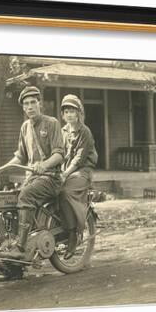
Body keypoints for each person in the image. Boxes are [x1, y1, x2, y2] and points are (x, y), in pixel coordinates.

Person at [0, 86, 65, 262]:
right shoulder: (25, 127)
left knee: (26, 196)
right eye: (26, 104)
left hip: (51, 178)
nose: (30, 106)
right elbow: (20, 156)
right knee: (11, 199)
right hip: (33, 178)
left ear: (39, 104)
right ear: (23, 107)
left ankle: (20, 248)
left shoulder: (52, 123)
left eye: (33, 102)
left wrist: (44, 165)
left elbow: (59, 154)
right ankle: (14, 261)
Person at [59, 94, 98, 259]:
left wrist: (64, 174)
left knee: (65, 192)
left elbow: (79, 159)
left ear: (78, 113)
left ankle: (74, 233)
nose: (69, 115)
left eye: (72, 111)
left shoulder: (85, 132)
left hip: (83, 171)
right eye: (66, 111)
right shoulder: (63, 131)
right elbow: (59, 153)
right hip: (67, 170)